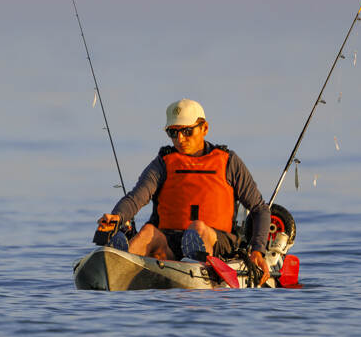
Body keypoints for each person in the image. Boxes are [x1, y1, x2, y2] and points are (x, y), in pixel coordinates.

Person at [96, 98, 273, 286]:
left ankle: (196, 265)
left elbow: (259, 209)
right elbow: (135, 198)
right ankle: (118, 263)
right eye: (173, 132)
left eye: (187, 132)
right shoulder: (163, 163)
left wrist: (257, 251)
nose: (180, 139)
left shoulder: (229, 162)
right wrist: (117, 217)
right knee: (148, 231)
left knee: (197, 228)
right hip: (171, 241)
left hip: (217, 242)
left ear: (204, 128)